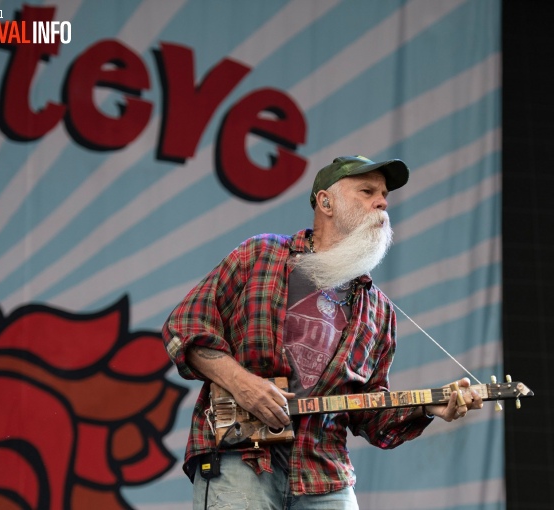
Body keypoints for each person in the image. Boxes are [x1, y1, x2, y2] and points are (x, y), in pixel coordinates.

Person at [162, 155, 484, 509]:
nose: (382, 202)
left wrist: (428, 408)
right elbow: (184, 328)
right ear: (325, 202)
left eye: (384, 194)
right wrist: (244, 385)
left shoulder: (378, 309)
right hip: (242, 457)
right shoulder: (260, 256)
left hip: (324, 472)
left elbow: (370, 416)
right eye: (367, 191)